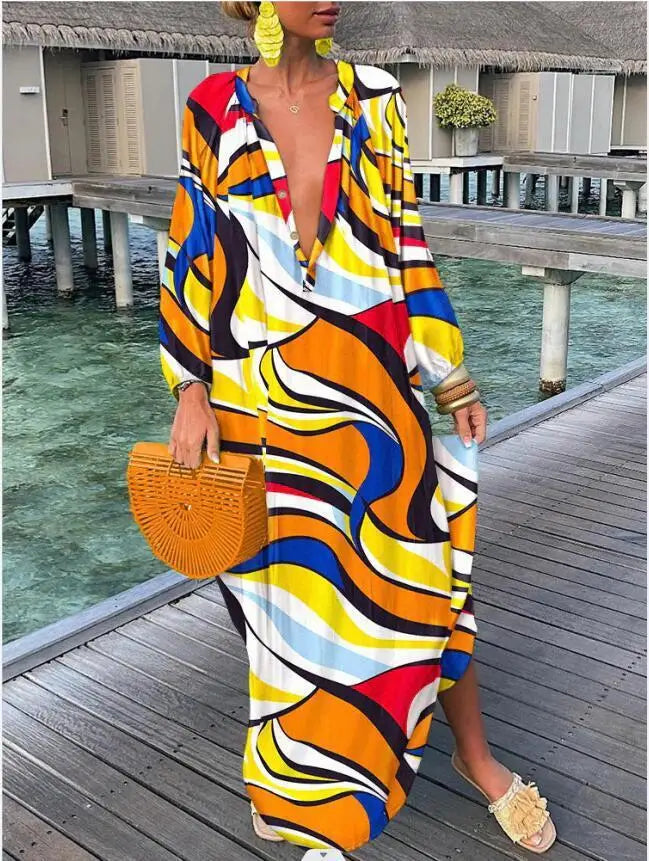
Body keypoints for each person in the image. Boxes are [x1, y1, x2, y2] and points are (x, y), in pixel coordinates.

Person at [159, 1, 555, 854]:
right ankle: (296, 776)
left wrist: (447, 372)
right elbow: (193, 251)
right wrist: (189, 384)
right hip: (262, 407)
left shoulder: (376, 97)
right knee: (285, 608)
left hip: (372, 395)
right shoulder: (211, 109)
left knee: (428, 568)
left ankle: (475, 758)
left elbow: (405, 245)